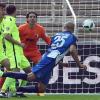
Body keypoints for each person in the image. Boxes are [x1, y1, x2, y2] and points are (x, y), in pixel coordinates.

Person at [0, 22, 87, 94]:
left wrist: (60, 63)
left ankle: (17, 90)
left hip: (48, 59)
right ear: (73, 29)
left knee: (41, 89)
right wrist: (79, 64)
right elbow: (72, 50)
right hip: (49, 61)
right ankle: (3, 75)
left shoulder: (56, 35)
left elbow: (53, 50)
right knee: (30, 77)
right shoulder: (72, 37)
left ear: (64, 27)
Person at [0, 5, 31, 97]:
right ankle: (3, 91)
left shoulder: (6, 20)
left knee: (29, 72)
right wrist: (19, 43)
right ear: (15, 11)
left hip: (19, 52)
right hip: (13, 50)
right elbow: (6, 35)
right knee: (15, 70)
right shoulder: (9, 20)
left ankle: (19, 91)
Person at [0, 3, 10, 91]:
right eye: (1, 10)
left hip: (1, 51)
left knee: (11, 68)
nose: (3, 12)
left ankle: (5, 90)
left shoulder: (5, 22)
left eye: (3, 10)